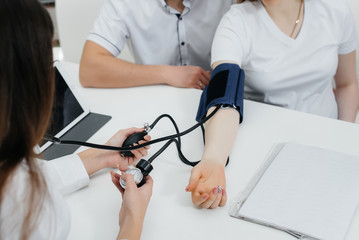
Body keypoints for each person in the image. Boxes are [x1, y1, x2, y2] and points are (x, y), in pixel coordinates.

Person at [0, 0, 152, 239]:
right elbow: (21, 189)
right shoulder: (29, 212)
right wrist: (132, 221)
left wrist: (102, 155)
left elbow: (26, 176)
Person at [186, 0, 359, 209]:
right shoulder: (237, 22)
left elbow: (347, 84)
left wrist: (344, 136)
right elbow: (225, 96)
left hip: (326, 139)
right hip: (268, 148)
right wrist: (213, 160)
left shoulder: (335, 11)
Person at [79, 0, 236, 89]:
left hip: (220, 96)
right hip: (155, 97)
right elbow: (89, 69)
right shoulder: (124, 3)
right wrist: (167, 74)